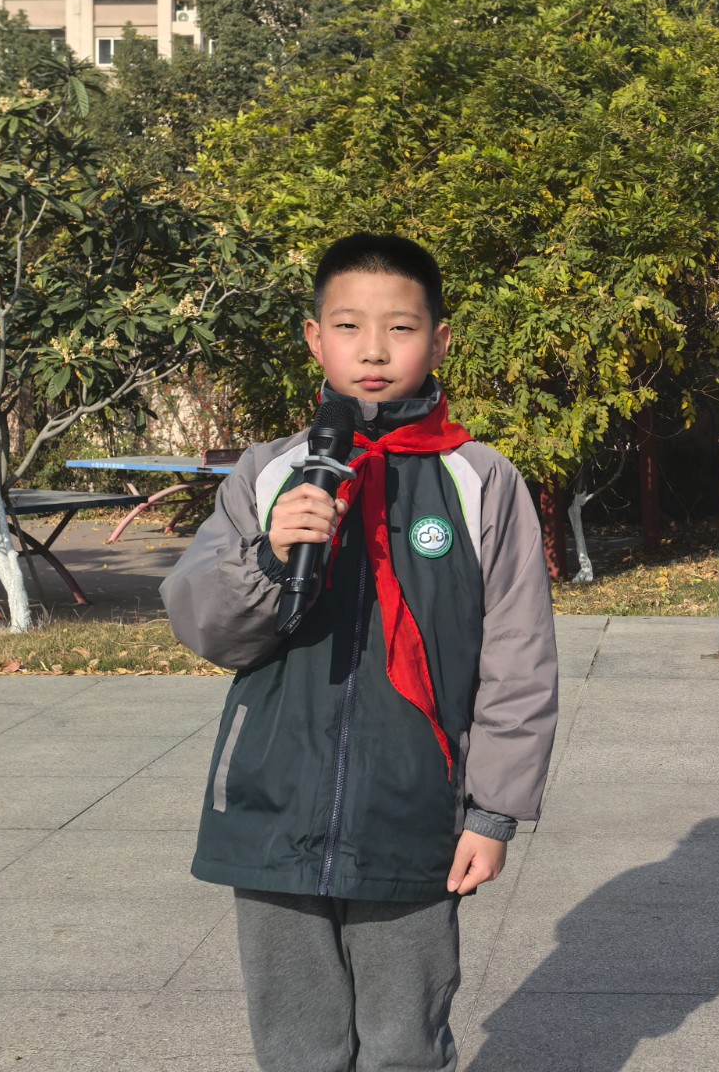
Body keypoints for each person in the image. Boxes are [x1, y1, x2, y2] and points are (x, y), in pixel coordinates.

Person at [162, 233, 559, 1072]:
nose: (374, 350)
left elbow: (519, 663)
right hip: (272, 806)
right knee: (295, 1043)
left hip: (414, 814)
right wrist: (271, 558)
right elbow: (207, 627)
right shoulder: (267, 474)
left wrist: (492, 812)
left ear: (441, 340)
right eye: (349, 325)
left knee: (403, 1043)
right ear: (315, 339)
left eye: (402, 328)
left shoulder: (484, 480)